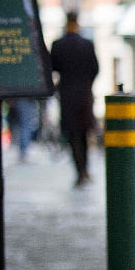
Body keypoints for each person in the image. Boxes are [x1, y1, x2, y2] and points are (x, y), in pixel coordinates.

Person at [49, 11, 100, 186]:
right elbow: (95, 68)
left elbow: (51, 68)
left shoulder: (58, 45)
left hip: (67, 95)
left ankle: (79, 169)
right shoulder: (87, 44)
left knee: (72, 135)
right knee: (84, 133)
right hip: (84, 95)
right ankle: (84, 169)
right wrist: (87, 84)